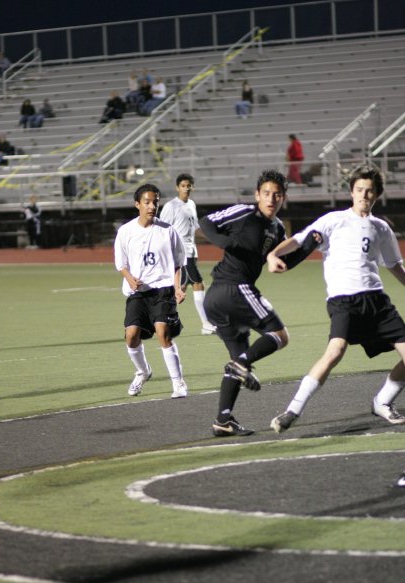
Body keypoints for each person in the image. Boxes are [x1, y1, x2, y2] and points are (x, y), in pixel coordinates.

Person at [267, 164, 405, 434]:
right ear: (351, 192)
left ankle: (382, 401)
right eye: (359, 190)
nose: (364, 195)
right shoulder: (333, 220)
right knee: (334, 352)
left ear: (377, 195)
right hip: (344, 301)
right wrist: (273, 255)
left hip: (377, 301)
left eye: (370, 191)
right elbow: (297, 240)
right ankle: (292, 411)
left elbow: (396, 268)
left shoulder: (381, 228)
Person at [199, 169, 320, 437]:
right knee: (279, 334)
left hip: (219, 299)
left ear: (283, 198)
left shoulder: (277, 229)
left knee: (239, 361)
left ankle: (223, 420)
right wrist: (225, 242)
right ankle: (240, 366)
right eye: (266, 193)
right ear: (257, 195)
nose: (271, 198)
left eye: (277, 194)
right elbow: (205, 221)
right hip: (232, 288)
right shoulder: (244, 212)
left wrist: (309, 246)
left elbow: (282, 263)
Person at [114, 183, 188, 399]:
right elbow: (121, 264)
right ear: (137, 204)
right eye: (147, 202)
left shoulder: (168, 230)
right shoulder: (126, 231)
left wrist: (177, 288)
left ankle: (179, 384)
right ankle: (143, 371)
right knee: (131, 336)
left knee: (163, 333)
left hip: (163, 291)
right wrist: (130, 279)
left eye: (155, 201)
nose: (152, 206)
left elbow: (177, 264)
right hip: (138, 292)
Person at [160, 173, 217, 335]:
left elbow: (195, 228)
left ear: (192, 187)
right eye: (183, 185)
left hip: (191, 251)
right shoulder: (171, 206)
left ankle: (159, 320)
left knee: (180, 289)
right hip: (181, 253)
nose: (186, 188)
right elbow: (162, 229)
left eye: (189, 185)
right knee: (198, 284)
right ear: (177, 187)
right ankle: (206, 324)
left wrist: (213, 237)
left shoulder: (191, 204)